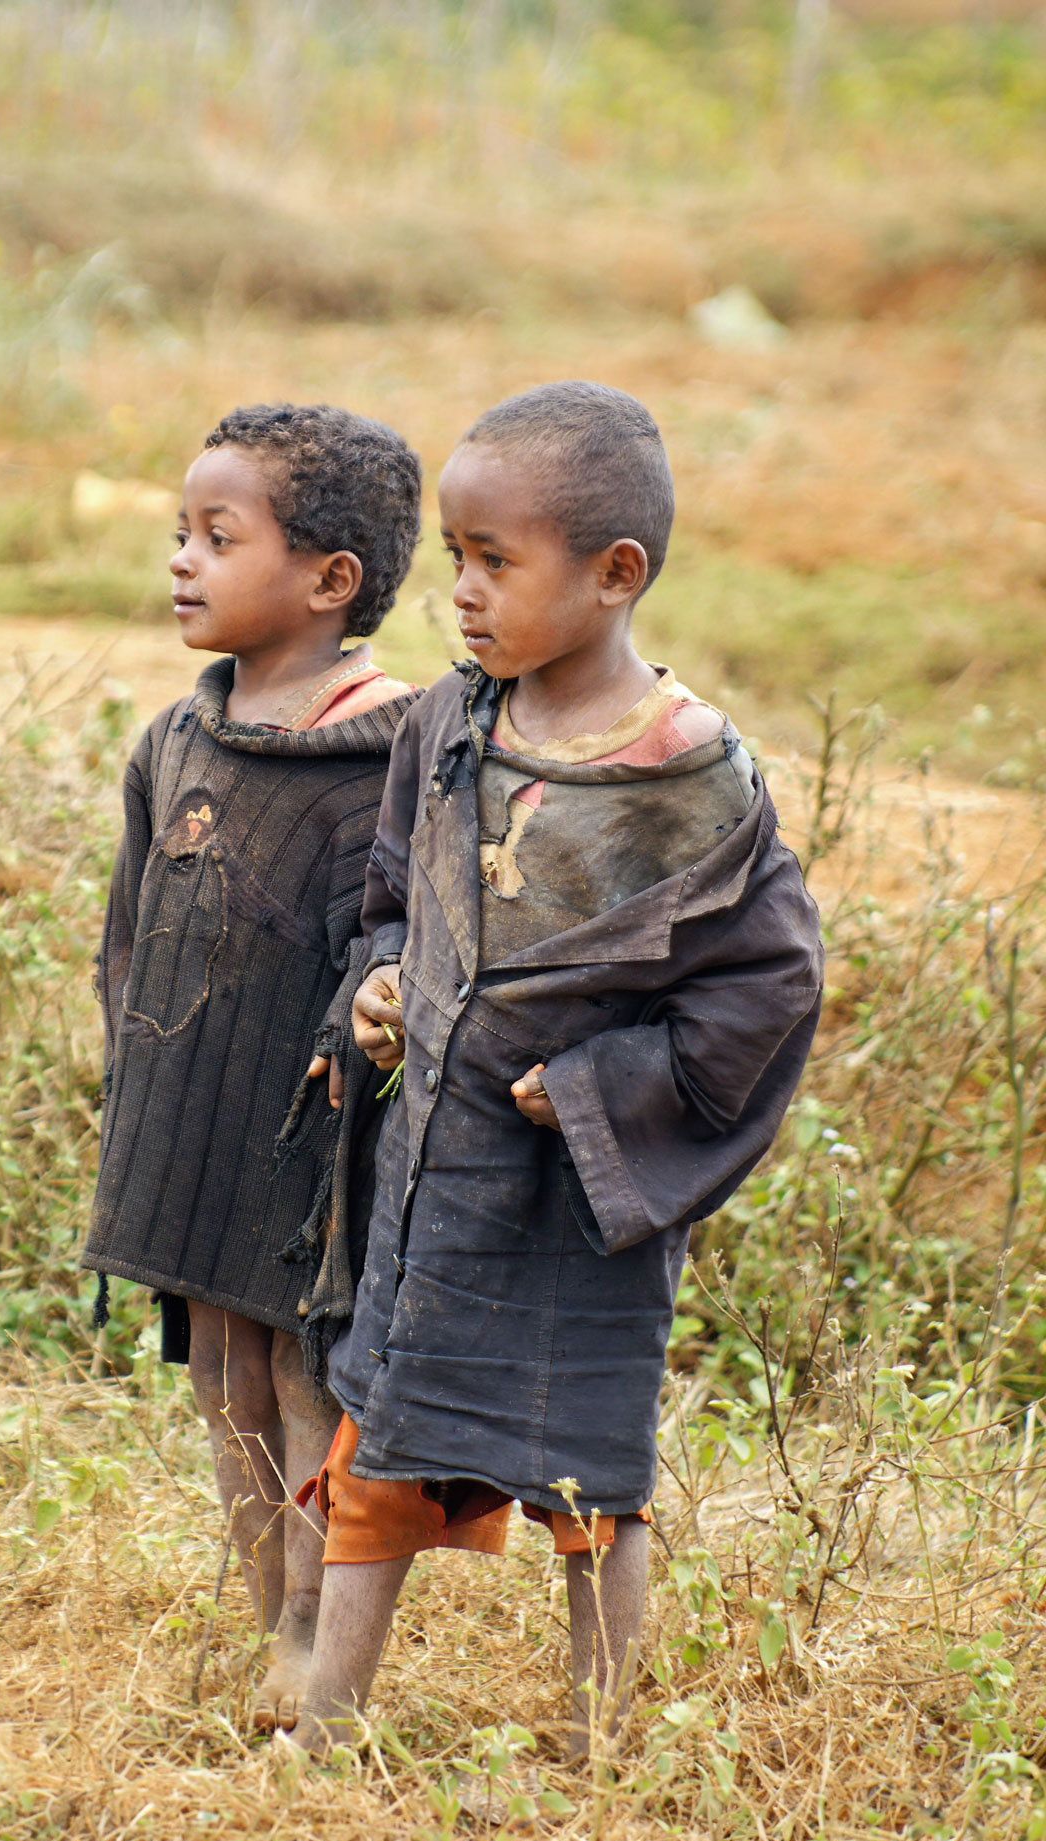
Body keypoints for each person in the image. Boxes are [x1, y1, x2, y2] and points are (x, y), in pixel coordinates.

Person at [285, 381, 823, 1760]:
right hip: (436, 1179)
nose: (458, 592)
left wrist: (603, 1089)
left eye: (494, 562)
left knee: (593, 1473)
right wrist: (387, 981)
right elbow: (391, 895)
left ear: (614, 574)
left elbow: (766, 990)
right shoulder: (450, 728)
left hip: (579, 1195)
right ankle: (328, 1725)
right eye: (453, 559)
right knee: (381, 1441)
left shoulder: (696, 785)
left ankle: (603, 1739)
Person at [82, 402, 421, 1732]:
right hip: (192, 1132)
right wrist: (135, 1092)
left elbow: (409, 945)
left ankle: (313, 1644)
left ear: (330, 582)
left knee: (303, 1381)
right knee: (222, 1374)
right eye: (181, 532)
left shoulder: (396, 753)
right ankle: (265, 1619)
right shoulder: (176, 739)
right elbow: (127, 945)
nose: (182, 559)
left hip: (318, 1148)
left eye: (218, 537)